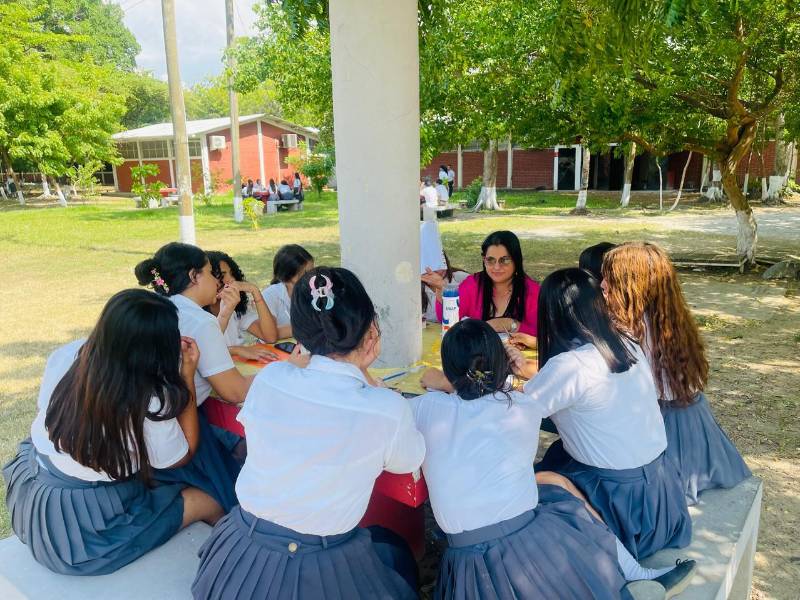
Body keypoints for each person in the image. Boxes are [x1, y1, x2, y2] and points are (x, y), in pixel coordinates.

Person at [416, 319, 696, 599]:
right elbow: (496, 401)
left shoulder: (424, 408)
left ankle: (634, 577)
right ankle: (630, 575)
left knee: (551, 478)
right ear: (499, 362)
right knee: (560, 494)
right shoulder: (523, 408)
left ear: (449, 370)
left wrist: (443, 385)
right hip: (522, 533)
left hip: (465, 559)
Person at [192, 267, 425, 600]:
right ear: (370, 332)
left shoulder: (271, 379)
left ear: (300, 334)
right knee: (396, 556)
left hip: (241, 551)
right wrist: (366, 375)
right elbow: (408, 462)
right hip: (321, 560)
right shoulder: (385, 407)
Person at [3, 290, 225, 575]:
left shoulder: (69, 353)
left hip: (32, 488)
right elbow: (181, 456)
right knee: (209, 499)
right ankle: (229, 569)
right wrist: (186, 377)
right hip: (82, 528)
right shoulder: (148, 396)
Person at [513, 268, 691, 559]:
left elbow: (518, 414)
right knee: (559, 452)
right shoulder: (627, 343)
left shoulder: (570, 366)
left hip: (617, 505)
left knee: (524, 492)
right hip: (661, 500)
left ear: (550, 314)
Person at [602, 242, 751, 505]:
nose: (602, 285)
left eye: (610, 280)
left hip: (665, 430)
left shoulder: (634, 331)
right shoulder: (667, 317)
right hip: (695, 421)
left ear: (633, 285)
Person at [136, 243, 253, 510]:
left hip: (145, 425)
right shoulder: (199, 321)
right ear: (193, 276)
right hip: (178, 425)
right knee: (230, 498)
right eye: (211, 272)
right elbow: (234, 391)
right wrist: (283, 369)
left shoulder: (159, 307)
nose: (217, 281)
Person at [422, 230, 540, 342]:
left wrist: (511, 324)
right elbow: (449, 320)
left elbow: (545, 333)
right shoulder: (474, 284)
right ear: (484, 260)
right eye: (490, 260)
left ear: (516, 260)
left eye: (504, 260)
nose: (497, 267)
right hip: (479, 358)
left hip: (521, 360)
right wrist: (440, 289)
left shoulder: (532, 291)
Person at [205, 251, 279, 357]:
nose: (232, 279)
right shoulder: (195, 313)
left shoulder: (234, 306)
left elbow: (270, 337)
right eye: (222, 275)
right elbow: (203, 351)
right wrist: (236, 350)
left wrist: (255, 291)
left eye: (232, 274)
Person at [261, 244, 314, 339]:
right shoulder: (270, 295)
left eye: (312, 271)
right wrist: (307, 327)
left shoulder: (314, 290)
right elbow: (271, 334)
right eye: (305, 273)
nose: (311, 277)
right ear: (288, 275)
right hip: (276, 349)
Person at [421, 251, 469, 323]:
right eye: (434, 265)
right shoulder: (413, 286)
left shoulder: (462, 279)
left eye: (442, 263)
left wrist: (442, 287)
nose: (441, 270)